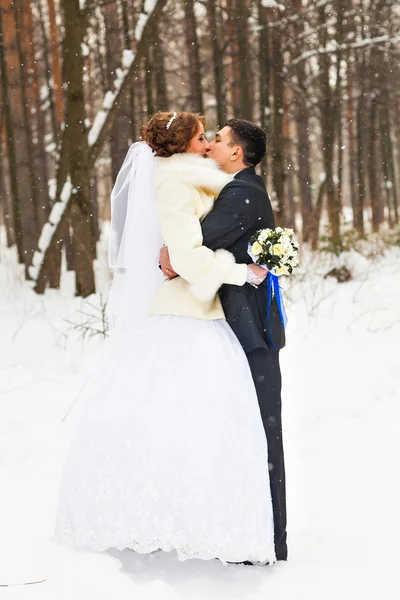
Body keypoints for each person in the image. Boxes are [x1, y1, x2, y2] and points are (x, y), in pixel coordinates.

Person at [55, 112, 276, 565]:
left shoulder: (201, 181)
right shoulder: (175, 183)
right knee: (176, 421)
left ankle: (200, 516)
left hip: (202, 312)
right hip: (184, 314)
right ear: (183, 146)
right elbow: (186, 257)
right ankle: (159, 518)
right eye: (201, 137)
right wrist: (242, 273)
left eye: (212, 137)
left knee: (202, 425)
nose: (207, 143)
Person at [160, 119, 288, 561]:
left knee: (262, 427)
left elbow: (189, 249)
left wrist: (171, 255)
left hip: (249, 326)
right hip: (239, 321)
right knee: (245, 427)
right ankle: (249, 532)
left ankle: (270, 538)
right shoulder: (234, 188)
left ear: (236, 153)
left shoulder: (241, 192)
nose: (211, 143)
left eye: (219, 138)